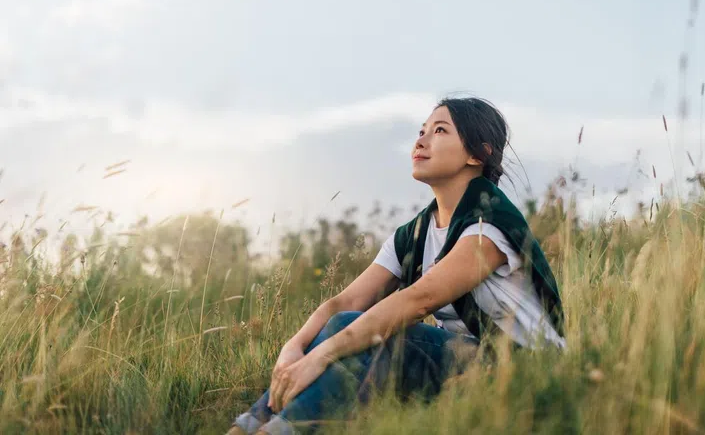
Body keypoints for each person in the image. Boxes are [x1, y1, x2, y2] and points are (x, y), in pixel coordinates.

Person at [228, 97, 566, 435]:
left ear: (476, 155)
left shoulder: (490, 222)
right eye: (422, 131)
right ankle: (250, 429)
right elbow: (343, 303)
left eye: (440, 130)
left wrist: (321, 356)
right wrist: (294, 349)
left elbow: (419, 299)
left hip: (523, 369)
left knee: (360, 334)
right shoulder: (416, 233)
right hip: (462, 361)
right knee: (346, 325)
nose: (421, 140)